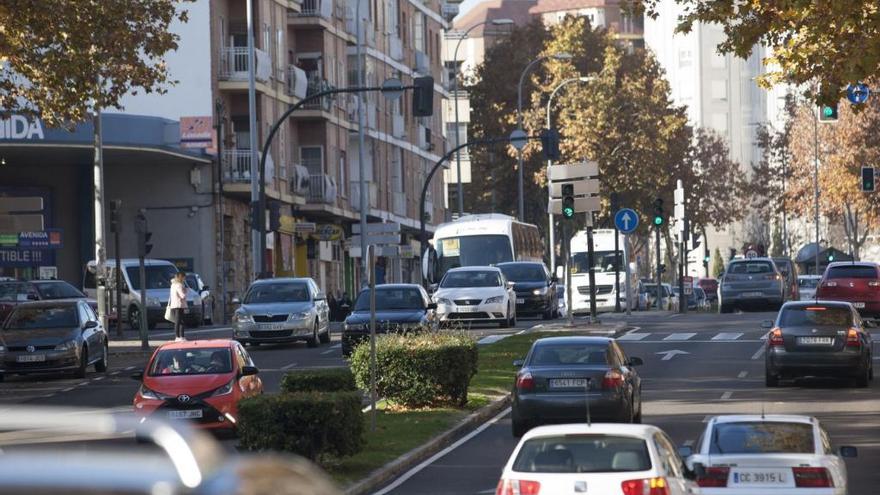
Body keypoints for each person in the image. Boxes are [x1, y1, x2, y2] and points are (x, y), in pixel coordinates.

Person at [168, 271, 189, 341]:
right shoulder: (179, 285)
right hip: (179, 305)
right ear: (181, 277)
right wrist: (186, 291)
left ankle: (179, 337)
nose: (184, 279)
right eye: (184, 277)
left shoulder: (173, 285)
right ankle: (180, 337)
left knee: (178, 321)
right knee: (180, 321)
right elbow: (182, 295)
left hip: (174, 305)